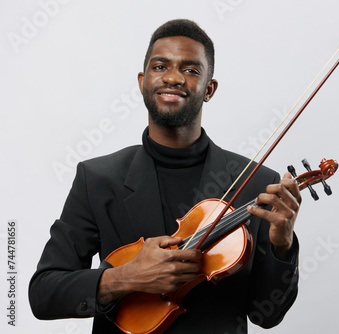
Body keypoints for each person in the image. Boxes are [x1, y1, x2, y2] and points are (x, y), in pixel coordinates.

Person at [29, 19, 300, 334]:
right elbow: (44, 294)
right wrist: (126, 277)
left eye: (191, 70)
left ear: (209, 89)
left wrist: (283, 246)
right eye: (161, 67)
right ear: (143, 81)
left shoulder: (254, 181)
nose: (174, 78)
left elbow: (267, 315)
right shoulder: (97, 179)